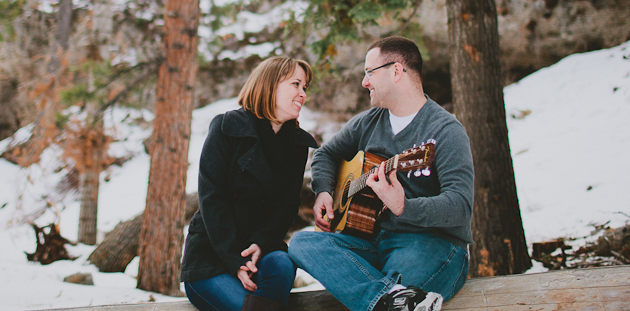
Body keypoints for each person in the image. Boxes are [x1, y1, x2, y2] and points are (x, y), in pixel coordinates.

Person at [288, 36, 474, 311]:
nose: (364, 82)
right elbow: (326, 153)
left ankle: (384, 295)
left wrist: (404, 207)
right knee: (302, 242)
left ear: (396, 71)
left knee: (401, 279)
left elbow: (460, 206)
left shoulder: (446, 130)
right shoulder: (367, 122)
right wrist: (325, 191)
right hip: (370, 242)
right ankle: (390, 298)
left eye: (369, 72)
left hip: (430, 244)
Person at [181, 56, 319, 311]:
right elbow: (212, 199)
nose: (303, 94)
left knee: (281, 261)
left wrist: (261, 243)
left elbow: (287, 206)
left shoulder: (297, 145)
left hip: (261, 253)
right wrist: (235, 259)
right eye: (296, 84)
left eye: (305, 88)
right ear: (270, 85)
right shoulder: (226, 127)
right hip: (213, 258)